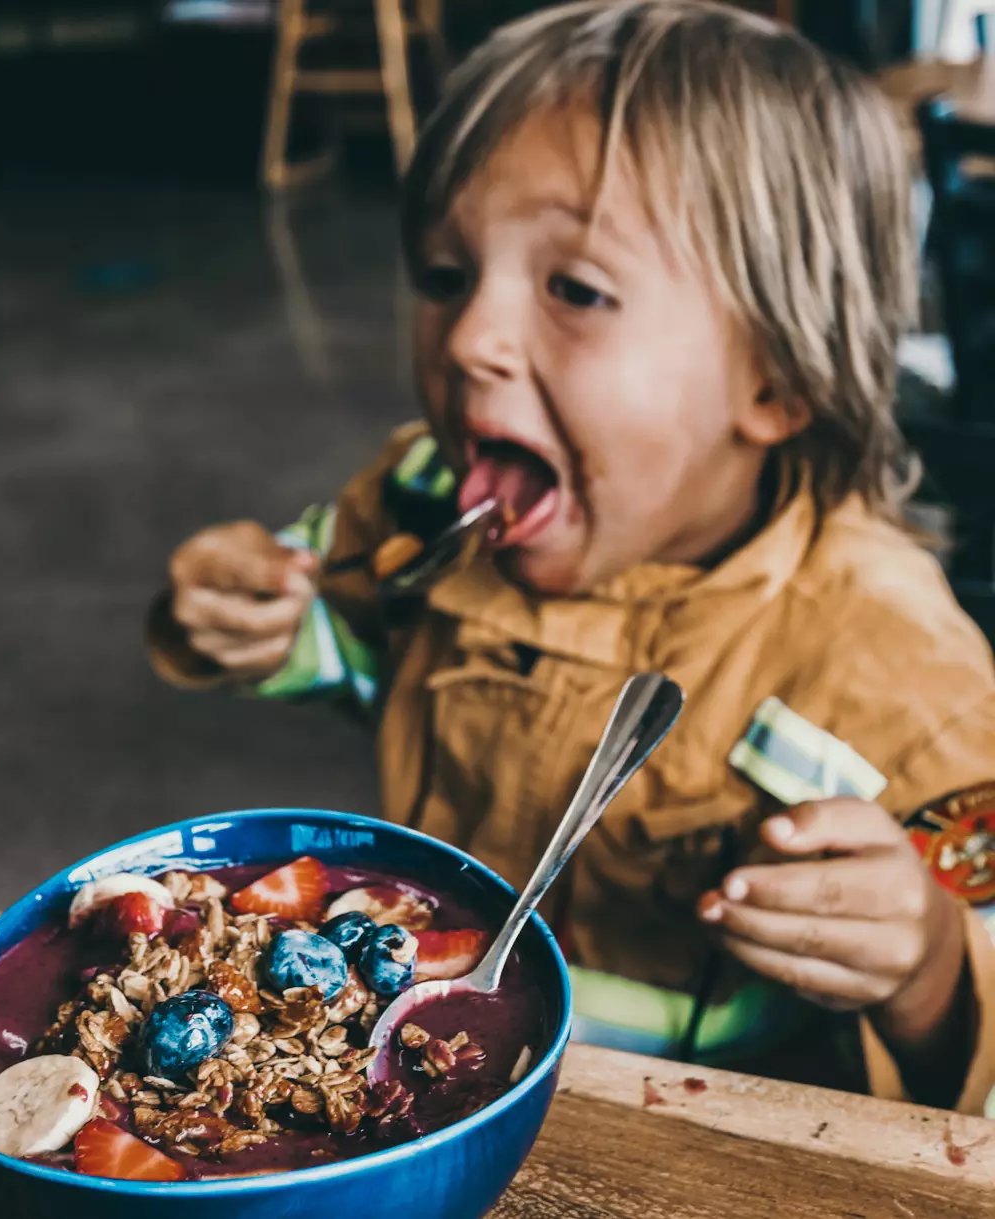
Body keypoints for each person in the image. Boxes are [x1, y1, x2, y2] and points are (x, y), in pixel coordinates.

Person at [148, 0, 995, 1114]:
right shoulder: (418, 494)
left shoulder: (894, 663)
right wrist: (254, 617)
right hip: (413, 1081)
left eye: (576, 289)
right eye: (447, 275)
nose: (466, 338)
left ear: (778, 380)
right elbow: (362, 631)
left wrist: (928, 966)